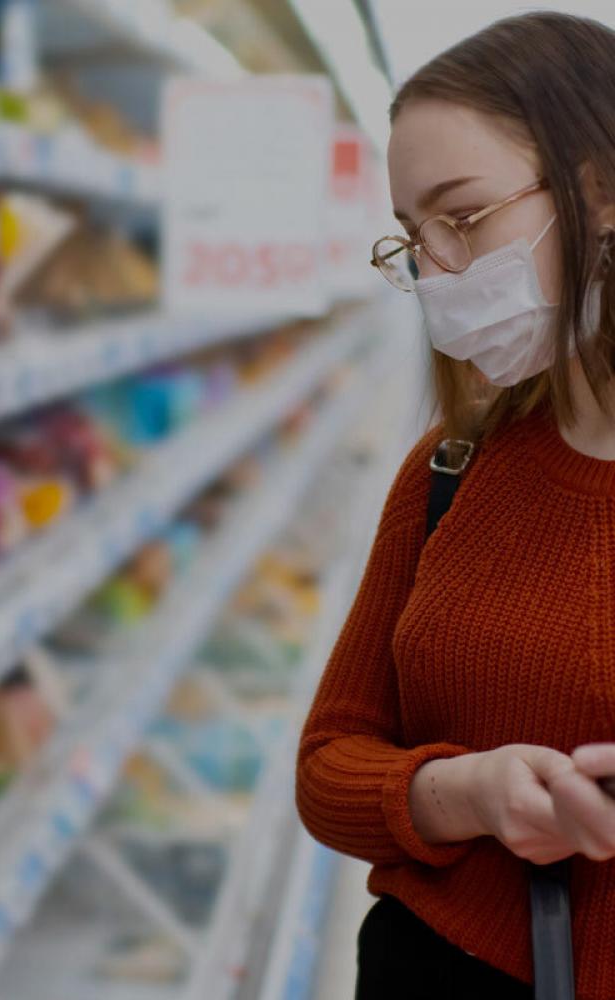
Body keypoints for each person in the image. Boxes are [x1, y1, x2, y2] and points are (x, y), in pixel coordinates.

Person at [295, 12, 615, 1000]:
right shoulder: (450, 467)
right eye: (411, 236)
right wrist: (460, 793)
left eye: (464, 219)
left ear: (600, 192)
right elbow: (327, 765)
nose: (434, 272)